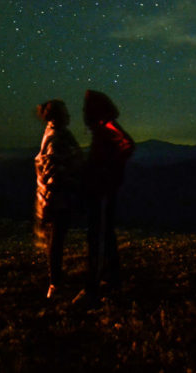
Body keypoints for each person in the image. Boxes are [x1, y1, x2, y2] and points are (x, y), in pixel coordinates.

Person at [79, 90, 135, 299]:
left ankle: (96, 285)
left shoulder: (108, 126)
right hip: (100, 189)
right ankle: (110, 279)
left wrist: (107, 173)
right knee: (102, 234)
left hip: (102, 191)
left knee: (99, 236)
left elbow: (128, 145)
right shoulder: (102, 128)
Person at [34, 99, 82, 299]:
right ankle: (55, 284)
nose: (69, 115)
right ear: (57, 116)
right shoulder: (56, 138)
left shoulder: (56, 133)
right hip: (56, 197)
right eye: (65, 112)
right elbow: (54, 169)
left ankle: (56, 281)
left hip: (54, 196)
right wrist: (73, 182)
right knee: (56, 240)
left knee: (56, 239)